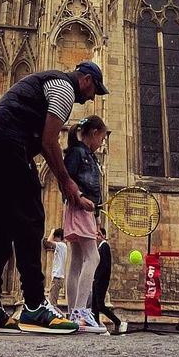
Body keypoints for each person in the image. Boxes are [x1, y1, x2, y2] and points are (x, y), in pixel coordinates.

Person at [0, 60, 108, 334]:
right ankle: (34, 306)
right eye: (95, 91)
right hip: (10, 144)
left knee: (3, 227)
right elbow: (48, 141)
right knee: (31, 219)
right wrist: (67, 182)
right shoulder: (65, 88)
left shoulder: (47, 82)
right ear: (87, 81)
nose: (92, 98)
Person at [63, 117, 108, 333]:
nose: (102, 142)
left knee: (78, 260)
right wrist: (79, 197)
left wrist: (97, 219)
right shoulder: (78, 152)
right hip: (80, 207)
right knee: (93, 257)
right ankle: (80, 311)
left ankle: (73, 313)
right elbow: (65, 178)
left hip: (84, 209)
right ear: (94, 132)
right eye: (102, 137)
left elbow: (96, 193)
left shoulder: (87, 154)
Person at [91, 224, 125, 334]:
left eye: (98, 234)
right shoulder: (100, 247)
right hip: (97, 279)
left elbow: (105, 265)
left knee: (100, 305)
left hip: (101, 280)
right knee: (94, 305)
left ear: (104, 235)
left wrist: (98, 278)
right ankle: (96, 327)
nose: (96, 236)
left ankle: (117, 322)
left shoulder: (104, 246)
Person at [45, 228, 67, 309]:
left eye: (55, 237)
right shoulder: (62, 247)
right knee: (52, 303)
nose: (54, 239)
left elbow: (48, 241)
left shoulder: (61, 245)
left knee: (52, 304)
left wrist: (52, 231)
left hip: (57, 278)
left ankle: (62, 318)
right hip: (57, 278)